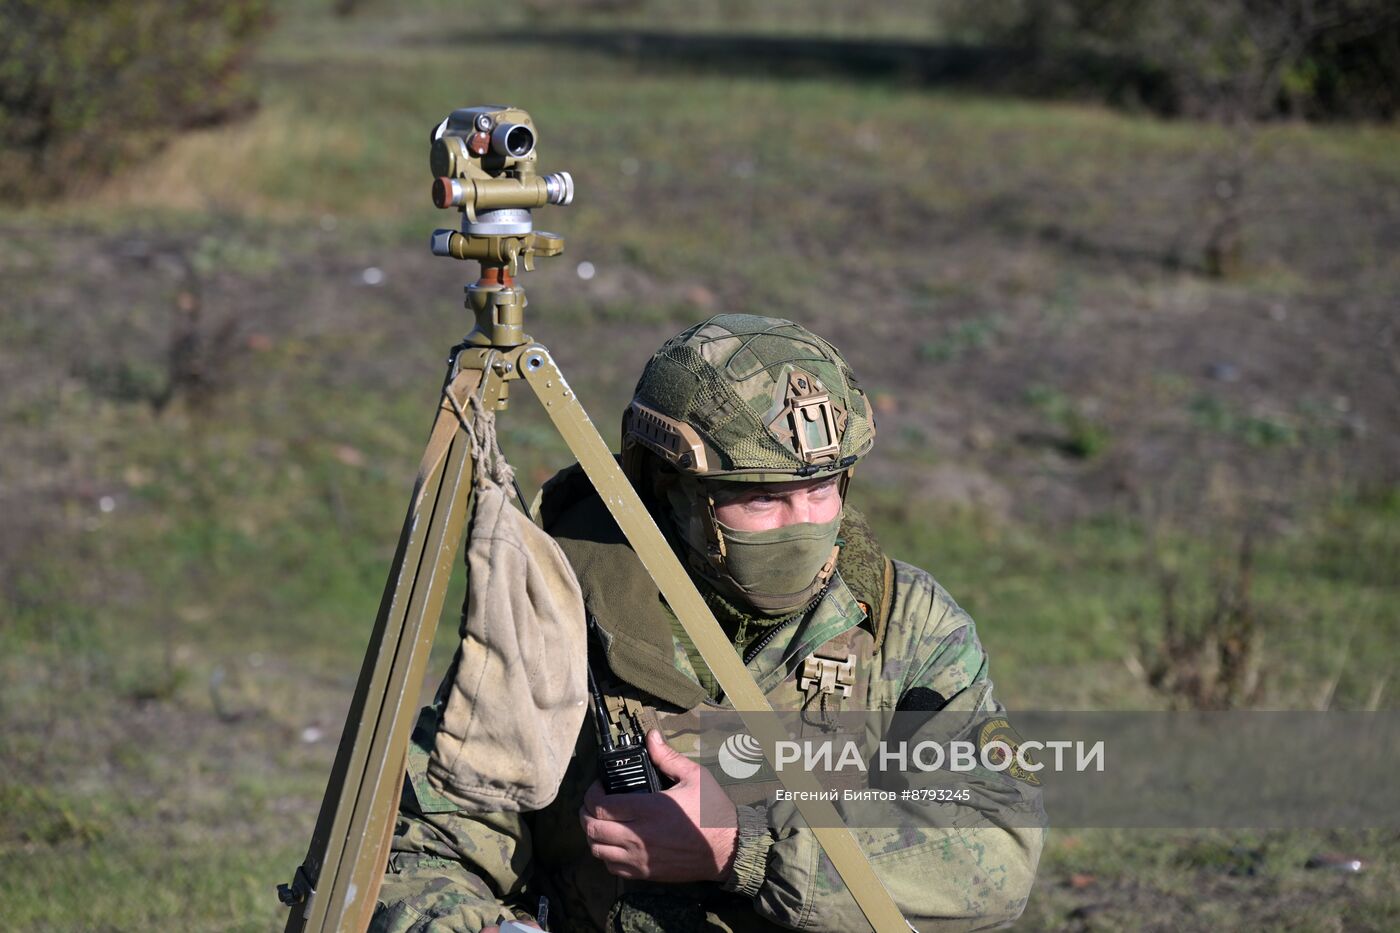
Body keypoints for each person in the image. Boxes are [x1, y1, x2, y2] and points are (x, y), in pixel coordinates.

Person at [371, 314, 1043, 932]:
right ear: (673, 489)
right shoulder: (557, 612)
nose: (804, 525)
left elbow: (997, 850)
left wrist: (740, 847)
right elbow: (423, 847)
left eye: (821, 489)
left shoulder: (906, 623)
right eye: (762, 499)